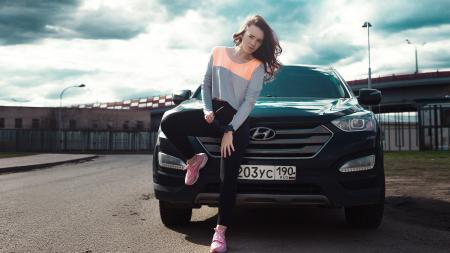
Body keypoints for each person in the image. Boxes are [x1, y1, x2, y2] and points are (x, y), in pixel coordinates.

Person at [160, 15, 282, 253]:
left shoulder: (257, 66)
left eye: (258, 41)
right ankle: (193, 159)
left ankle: (220, 233)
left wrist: (229, 130)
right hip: (212, 116)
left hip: (236, 122)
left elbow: (248, 103)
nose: (253, 43)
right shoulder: (218, 53)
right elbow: (205, 84)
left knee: (228, 179)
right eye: (251, 37)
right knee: (170, 121)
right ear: (243, 32)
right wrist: (207, 110)